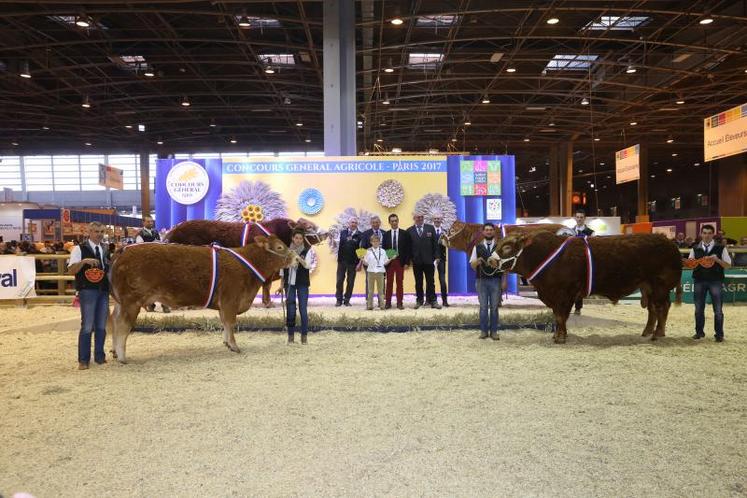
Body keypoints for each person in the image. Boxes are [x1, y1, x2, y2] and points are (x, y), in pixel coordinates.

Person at [67, 222, 110, 370]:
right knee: (87, 325)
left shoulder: (105, 249)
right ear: (89, 232)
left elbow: (107, 269)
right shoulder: (79, 249)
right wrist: (84, 261)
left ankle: (100, 356)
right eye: (96, 231)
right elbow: (71, 270)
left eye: (101, 231)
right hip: (87, 290)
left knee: (101, 326)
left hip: (103, 290)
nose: (99, 234)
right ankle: (83, 360)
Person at [689, 224, 731, 342]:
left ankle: (719, 334)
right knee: (698, 309)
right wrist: (691, 263)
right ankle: (699, 332)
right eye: (704, 233)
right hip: (699, 280)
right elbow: (691, 265)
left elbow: (728, 265)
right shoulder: (694, 248)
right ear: (701, 234)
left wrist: (717, 259)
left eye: (709, 233)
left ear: (713, 234)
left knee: (718, 310)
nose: (707, 235)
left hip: (715, 281)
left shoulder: (721, 248)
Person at [277, 230, 316, 344]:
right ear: (293, 238)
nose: (298, 240)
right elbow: (282, 270)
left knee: (303, 310)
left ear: (303, 239)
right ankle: (290, 337)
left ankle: (304, 336)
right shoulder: (287, 252)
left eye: (300, 238)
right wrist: (281, 285)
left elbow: (308, 265)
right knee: (291, 310)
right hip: (289, 285)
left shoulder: (307, 251)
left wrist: (299, 258)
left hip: (303, 283)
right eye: (296, 238)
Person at [470, 223, 502, 340]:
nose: (488, 232)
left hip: (496, 280)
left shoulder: (499, 246)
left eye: (491, 230)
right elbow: (472, 265)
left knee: (494, 308)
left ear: (494, 232)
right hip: (481, 281)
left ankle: (494, 332)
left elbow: (504, 266)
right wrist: (476, 262)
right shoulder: (477, 247)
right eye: (486, 230)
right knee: (483, 307)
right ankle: (483, 331)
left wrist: (504, 281)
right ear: (483, 232)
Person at [407, 213, 441, 309]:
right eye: (418, 217)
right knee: (418, 282)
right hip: (416, 261)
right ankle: (419, 300)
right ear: (414, 218)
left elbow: (435, 244)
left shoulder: (430, 228)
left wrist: (437, 256)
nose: (420, 219)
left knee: (431, 282)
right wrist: (408, 260)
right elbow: (408, 247)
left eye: (421, 217)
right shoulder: (409, 230)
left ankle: (433, 301)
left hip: (429, 260)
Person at [136, 216, 170, 313]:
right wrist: (152, 244)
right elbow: (140, 248)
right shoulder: (140, 234)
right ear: (143, 222)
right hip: (146, 263)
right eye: (148, 221)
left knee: (161, 283)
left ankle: (165, 304)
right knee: (149, 285)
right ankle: (150, 304)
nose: (151, 223)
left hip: (157, 262)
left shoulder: (156, 232)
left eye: (151, 221)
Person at [382, 214, 411, 310]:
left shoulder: (405, 233)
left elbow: (408, 249)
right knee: (389, 282)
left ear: (398, 221)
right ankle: (388, 303)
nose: (394, 222)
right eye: (392, 221)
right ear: (389, 222)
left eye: (395, 220)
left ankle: (399, 303)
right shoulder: (386, 234)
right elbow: (384, 249)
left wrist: (407, 262)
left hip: (400, 261)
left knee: (399, 282)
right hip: (390, 262)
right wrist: (385, 261)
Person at [571, 209, 594, 315]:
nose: (579, 219)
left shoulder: (591, 232)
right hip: (571, 262)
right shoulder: (570, 232)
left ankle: (578, 308)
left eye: (581, 217)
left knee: (579, 285)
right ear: (575, 218)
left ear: (585, 219)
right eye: (578, 217)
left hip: (585, 263)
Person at [335, 218, 362, 306]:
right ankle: (339, 299)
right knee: (339, 281)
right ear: (348, 223)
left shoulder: (360, 235)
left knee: (350, 282)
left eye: (355, 222)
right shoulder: (342, 232)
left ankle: (347, 300)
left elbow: (361, 250)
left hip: (353, 262)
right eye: (352, 222)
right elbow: (338, 245)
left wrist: (360, 263)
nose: (353, 224)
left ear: (357, 224)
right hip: (342, 261)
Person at [360, 216, 385, 302]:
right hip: (369, 262)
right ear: (371, 224)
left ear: (380, 223)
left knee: (381, 282)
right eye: (373, 222)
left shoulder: (385, 233)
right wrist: (363, 261)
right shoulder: (365, 234)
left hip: (381, 263)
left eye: (377, 222)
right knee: (369, 282)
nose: (375, 224)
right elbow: (362, 248)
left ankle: (381, 301)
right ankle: (369, 301)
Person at [362, 234, 390, 310]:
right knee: (370, 290)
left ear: (379, 242)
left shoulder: (383, 251)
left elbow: (385, 262)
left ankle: (382, 305)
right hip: (371, 272)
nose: (375, 243)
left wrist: (391, 259)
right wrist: (362, 259)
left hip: (380, 272)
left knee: (381, 290)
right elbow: (366, 263)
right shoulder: (368, 251)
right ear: (371, 242)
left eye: (377, 241)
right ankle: (369, 305)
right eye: (373, 241)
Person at [432, 216, 449, 307]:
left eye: (438, 219)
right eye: (435, 219)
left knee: (442, 280)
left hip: (442, 259)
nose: (437, 220)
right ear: (433, 220)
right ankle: (430, 300)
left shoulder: (445, 231)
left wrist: (445, 241)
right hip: (431, 258)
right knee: (430, 280)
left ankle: (444, 300)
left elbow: (449, 245)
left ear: (441, 220)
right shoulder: (429, 230)